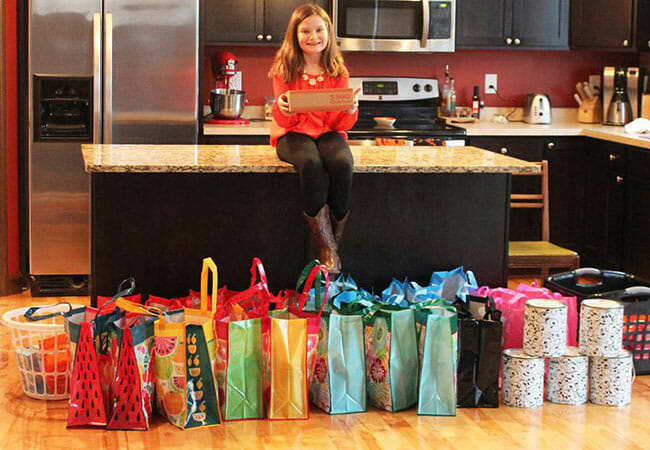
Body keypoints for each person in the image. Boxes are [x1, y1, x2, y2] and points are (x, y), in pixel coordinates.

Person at [268, 3, 359, 274]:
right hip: (292, 133)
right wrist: (282, 109)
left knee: (342, 163)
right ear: (294, 35)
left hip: (328, 132)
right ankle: (325, 248)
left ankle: (331, 246)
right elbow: (286, 120)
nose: (313, 36)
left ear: (328, 33)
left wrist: (349, 111)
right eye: (305, 31)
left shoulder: (338, 71)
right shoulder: (284, 69)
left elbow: (338, 123)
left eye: (319, 30)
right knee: (310, 163)